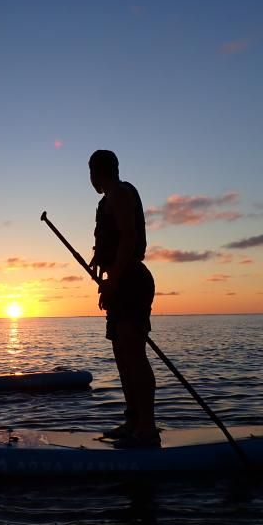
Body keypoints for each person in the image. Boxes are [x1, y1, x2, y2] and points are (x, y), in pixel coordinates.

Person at [89, 149, 159, 448]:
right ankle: (132, 421)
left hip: (130, 281)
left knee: (134, 355)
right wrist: (98, 259)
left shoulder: (119, 193)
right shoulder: (105, 201)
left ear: (97, 171)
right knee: (122, 357)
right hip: (118, 282)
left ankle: (147, 427)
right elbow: (113, 239)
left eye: (91, 171)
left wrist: (113, 281)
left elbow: (129, 238)